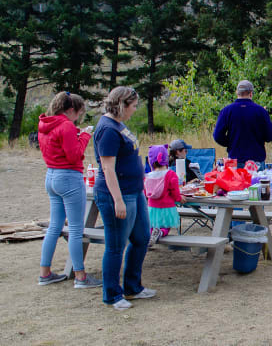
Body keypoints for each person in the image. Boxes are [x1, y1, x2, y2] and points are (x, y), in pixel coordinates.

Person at [93, 86, 155, 310]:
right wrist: (118, 200)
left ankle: (133, 286)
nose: (135, 110)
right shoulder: (107, 129)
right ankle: (112, 294)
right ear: (122, 104)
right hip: (117, 195)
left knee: (141, 237)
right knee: (116, 245)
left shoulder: (119, 125)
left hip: (135, 191)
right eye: (134, 106)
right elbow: (108, 168)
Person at [36, 91, 102, 288]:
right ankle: (81, 276)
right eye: (79, 114)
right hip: (69, 177)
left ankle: (44, 272)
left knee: (55, 226)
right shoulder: (65, 126)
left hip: (52, 176)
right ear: (71, 110)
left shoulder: (46, 125)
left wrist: (77, 135)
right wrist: (84, 136)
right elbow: (74, 155)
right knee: (75, 228)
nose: (78, 118)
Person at [213, 80, 272, 168]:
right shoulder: (261, 111)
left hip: (235, 160)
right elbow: (271, 136)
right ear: (251, 93)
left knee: (237, 182)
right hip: (256, 160)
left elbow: (217, 136)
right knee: (256, 182)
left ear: (237, 93)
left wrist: (230, 143)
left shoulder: (226, 111)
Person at [145, 145, 185, 247]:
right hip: (167, 207)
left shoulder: (148, 176)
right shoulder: (170, 174)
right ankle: (161, 233)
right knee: (165, 226)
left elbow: (145, 191)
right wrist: (180, 198)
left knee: (152, 225)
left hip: (152, 208)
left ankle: (150, 237)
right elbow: (175, 193)